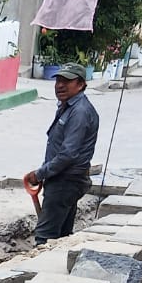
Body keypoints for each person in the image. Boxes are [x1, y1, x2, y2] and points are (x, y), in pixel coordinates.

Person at [24, 62, 100, 245]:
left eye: (67, 81)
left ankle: (38, 270)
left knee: (45, 236)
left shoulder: (79, 112)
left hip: (65, 181)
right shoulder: (70, 106)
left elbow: (68, 154)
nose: (60, 85)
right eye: (58, 80)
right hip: (65, 180)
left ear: (80, 84)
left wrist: (39, 174)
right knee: (63, 236)